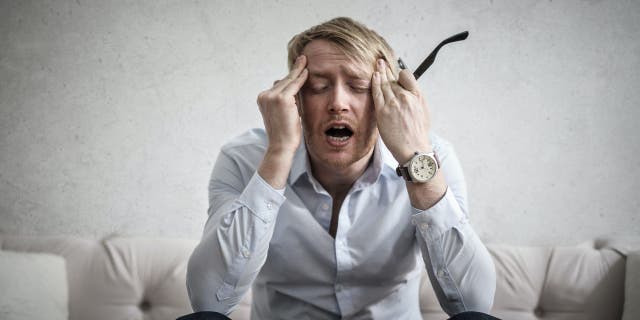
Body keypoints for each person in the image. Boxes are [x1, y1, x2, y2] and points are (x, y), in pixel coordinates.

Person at [184, 17, 497, 319]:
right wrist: (278, 153)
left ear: (389, 99)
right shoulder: (243, 158)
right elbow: (208, 302)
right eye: (318, 86)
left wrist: (416, 159)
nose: (337, 103)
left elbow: (473, 306)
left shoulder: (432, 157)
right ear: (294, 98)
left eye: (359, 86)